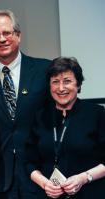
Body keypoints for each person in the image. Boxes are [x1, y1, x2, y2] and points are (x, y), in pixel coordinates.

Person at [0, 9, 51, 199]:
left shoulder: (44, 71)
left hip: (41, 175)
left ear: (18, 35)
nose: (2, 39)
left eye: (6, 33)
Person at [25, 57, 105, 198]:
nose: (61, 88)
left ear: (78, 85)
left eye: (67, 81)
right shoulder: (40, 117)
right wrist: (44, 183)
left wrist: (84, 178)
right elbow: (28, 162)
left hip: (90, 193)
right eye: (55, 82)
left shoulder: (97, 114)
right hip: (48, 195)